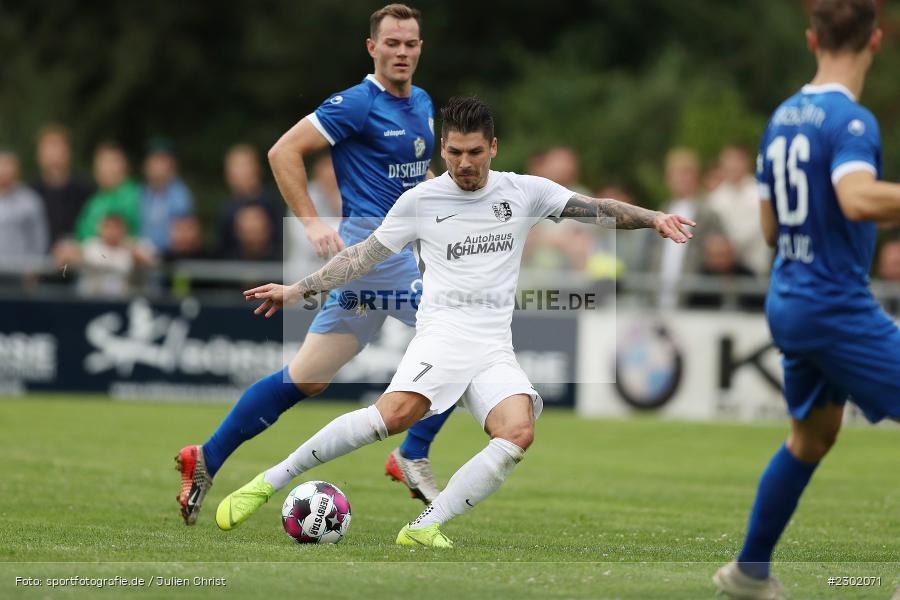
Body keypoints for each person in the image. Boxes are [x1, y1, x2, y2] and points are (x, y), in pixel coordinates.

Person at [213, 96, 693, 546]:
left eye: (476, 152)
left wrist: (654, 218)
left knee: (518, 432)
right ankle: (269, 480)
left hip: (493, 348)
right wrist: (298, 290)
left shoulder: (524, 192)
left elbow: (599, 210)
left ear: (494, 148)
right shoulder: (421, 201)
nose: (465, 163)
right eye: (456, 152)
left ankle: (425, 527)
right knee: (393, 418)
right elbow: (361, 257)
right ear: (442, 148)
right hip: (441, 337)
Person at [175, 3, 450, 525]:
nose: (402, 52)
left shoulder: (423, 103)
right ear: (372, 48)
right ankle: (411, 452)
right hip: (376, 256)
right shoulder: (356, 103)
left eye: (411, 44)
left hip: (379, 264)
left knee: (307, 378)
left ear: (420, 48)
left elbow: (420, 177)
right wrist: (310, 222)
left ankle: (206, 456)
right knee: (461, 342)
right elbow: (283, 152)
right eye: (392, 43)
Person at [713, 2, 900, 598]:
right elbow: (858, 199)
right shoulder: (851, 121)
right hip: (832, 305)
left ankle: (749, 571)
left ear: (810, 39)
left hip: (790, 298)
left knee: (810, 439)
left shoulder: (783, 117)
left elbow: (770, 230)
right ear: (877, 40)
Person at [31, 124, 94, 248]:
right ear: (39, 154)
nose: (54, 154)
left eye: (58, 147)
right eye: (49, 148)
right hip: (39, 263)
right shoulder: (30, 194)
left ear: (68, 152)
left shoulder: (86, 190)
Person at [216, 144, 282, 259]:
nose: (242, 172)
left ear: (258, 169)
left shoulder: (273, 202)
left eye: (245, 165)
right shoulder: (226, 208)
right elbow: (222, 248)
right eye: (236, 167)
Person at [74, 142, 141, 241]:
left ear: (124, 166)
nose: (107, 168)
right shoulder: (95, 200)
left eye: (112, 161)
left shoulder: (134, 195)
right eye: (102, 162)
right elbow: (81, 232)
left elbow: (119, 230)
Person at [140, 138, 194, 253]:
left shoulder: (181, 195)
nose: (158, 166)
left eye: (162, 161)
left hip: (170, 258)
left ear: (172, 165)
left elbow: (183, 237)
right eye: (154, 160)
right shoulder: (142, 193)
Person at [0, 148, 49, 261]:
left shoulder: (30, 201)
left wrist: (34, 265)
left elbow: (39, 239)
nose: (4, 169)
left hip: (20, 269)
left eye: (8, 164)